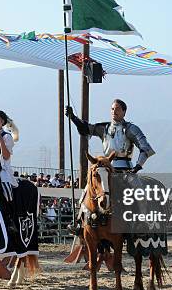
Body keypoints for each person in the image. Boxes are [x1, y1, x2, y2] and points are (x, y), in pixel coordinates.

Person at [65, 99, 155, 233]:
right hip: (106, 167)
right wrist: (73, 118)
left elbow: (145, 148)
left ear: (124, 112)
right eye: (112, 109)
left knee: (138, 189)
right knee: (88, 188)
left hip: (126, 168)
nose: (114, 111)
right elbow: (86, 128)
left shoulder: (131, 129)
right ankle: (79, 221)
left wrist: (137, 166)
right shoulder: (104, 128)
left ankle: (143, 222)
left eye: (118, 109)